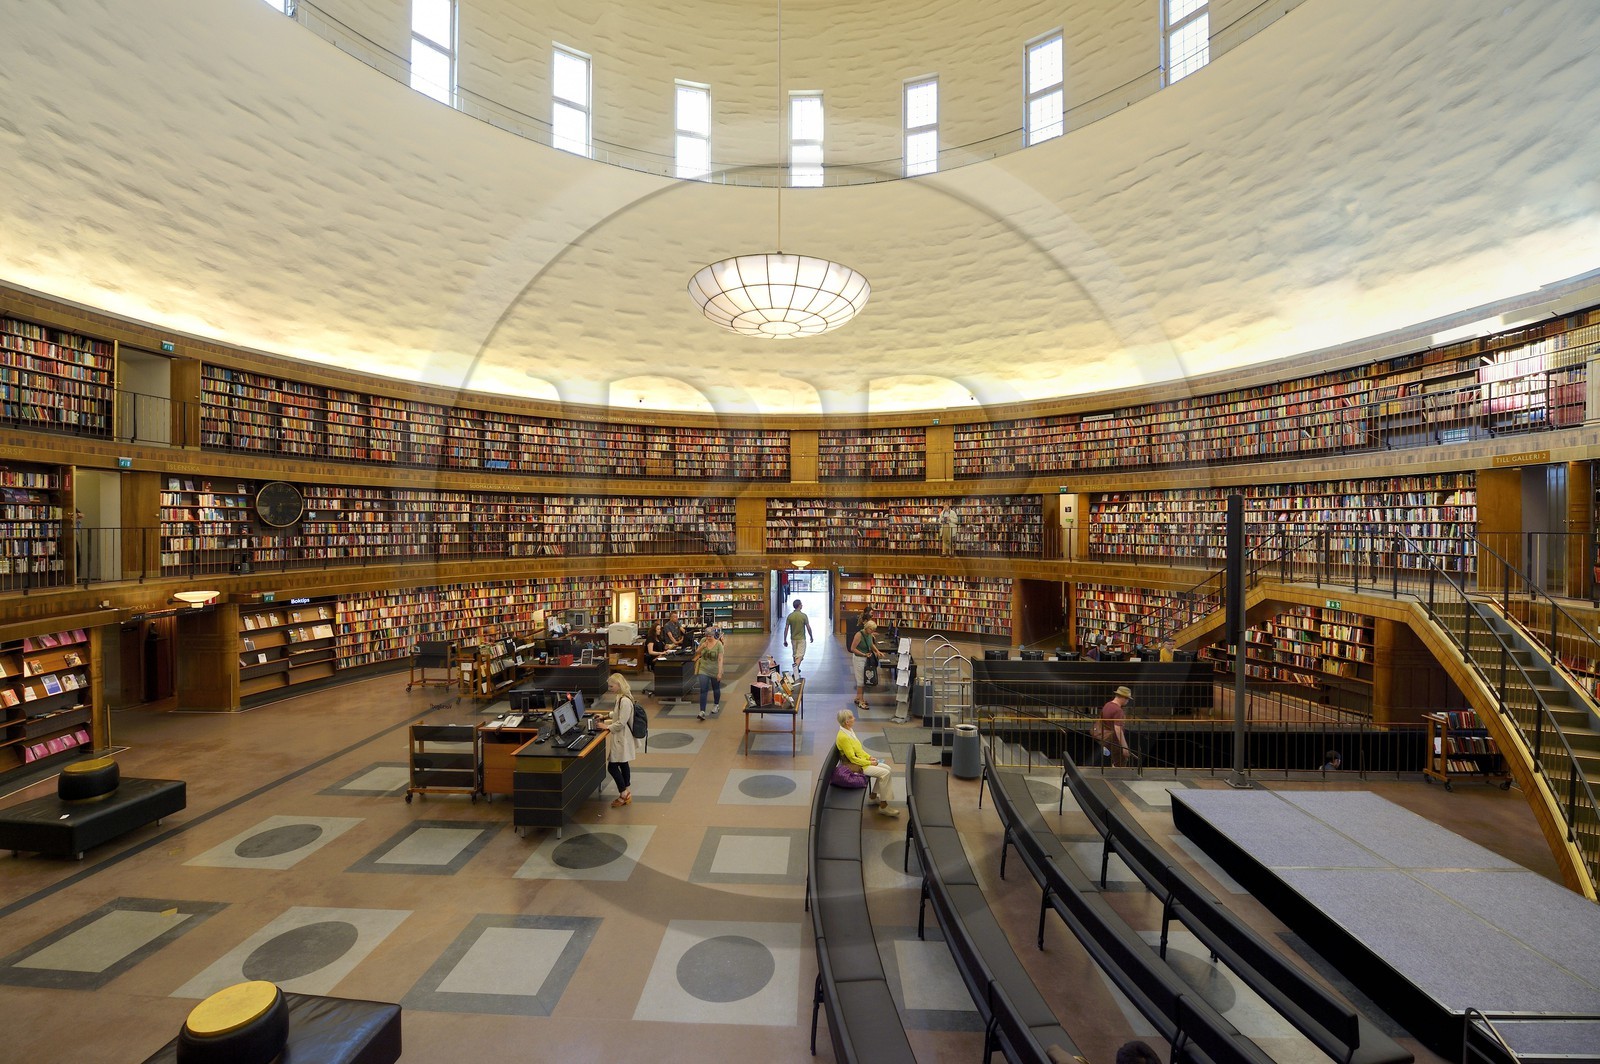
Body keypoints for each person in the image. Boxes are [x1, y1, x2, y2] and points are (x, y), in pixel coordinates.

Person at [836, 708, 898, 817]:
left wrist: (869, 757)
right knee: (885, 773)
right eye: (852, 717)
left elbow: (859, 750)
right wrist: (868, 763)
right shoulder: (844, 737)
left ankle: (873, 797)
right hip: (855, 766)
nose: (854, 719)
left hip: (861, 761)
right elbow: (852, 758)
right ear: (847, 722)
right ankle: (883, 806)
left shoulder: (849, 731)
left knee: (888, 769)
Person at [600, 672, 639, 806]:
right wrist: (606, 716)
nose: (610, 689)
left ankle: (623, 793)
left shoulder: (625, 700)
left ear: (618, 685)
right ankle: (627, 791)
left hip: (622, 738)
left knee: (612, 766)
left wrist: (606, 727)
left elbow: (621, 722)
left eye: (611, 686)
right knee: (623, 763)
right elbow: (618, 713)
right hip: (622, 737)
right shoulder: (621, 697)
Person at [1095, 685, 1132, 767]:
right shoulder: (1118, 711)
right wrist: (1124, 746)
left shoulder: (1107, 705)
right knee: (1120, 763)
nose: (1128, 701)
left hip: (1105, 739)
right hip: (1114, 741)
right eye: (1127, 699)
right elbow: (1118, 729)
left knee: (1113, 763)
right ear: (1123, 697)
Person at [694, 626, 723, 720]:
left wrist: (719, 672)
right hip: (704, 669)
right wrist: (702, 646)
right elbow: (697, 652)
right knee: (703, 689)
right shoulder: (703, 640)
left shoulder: (719, 645)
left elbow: (720, 659)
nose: (708, 638)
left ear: (713, 635)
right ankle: (702, 711)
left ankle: (716, 704)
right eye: (706, 636)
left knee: (716, 688)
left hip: (714, 669)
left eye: (710, 636)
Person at [850, 619, 878, 711]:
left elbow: (870, 644)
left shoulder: (869, 634)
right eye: (871, 630)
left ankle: (858, 698)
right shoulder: (859, 635)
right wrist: (863, 654)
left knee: (862, 679)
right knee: (861, 681)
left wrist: (877, 651)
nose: (872, 632)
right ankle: (861, 701)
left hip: (866, 658)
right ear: (867, 628)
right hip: (859, 659)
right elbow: (852, 648)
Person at [783, 598, 813, 672]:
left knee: (795, 654)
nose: (802, 605)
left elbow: (786, 628)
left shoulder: (790, 616)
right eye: (801, 604)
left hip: (793, 638)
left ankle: (796, 670)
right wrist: (811, 636)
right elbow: (808, 627)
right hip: (801, 638)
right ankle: (795, 667)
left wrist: (785, 639)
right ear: (799, 606)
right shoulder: (803, 616)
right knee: (800, 655)